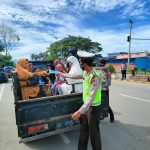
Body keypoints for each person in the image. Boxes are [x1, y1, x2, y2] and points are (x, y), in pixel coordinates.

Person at [60, 51, 102, 150]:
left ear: (84, 63)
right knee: (83, 130)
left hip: (93, 108)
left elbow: (91, 97)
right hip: (86, 107)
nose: (79, 64)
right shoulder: (85, 73)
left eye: (80, 62)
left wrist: (79, 112)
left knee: (94, 134)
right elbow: (74, 76)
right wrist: (63, 74)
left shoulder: (95, 76)